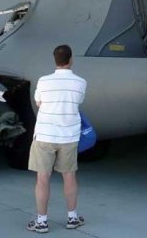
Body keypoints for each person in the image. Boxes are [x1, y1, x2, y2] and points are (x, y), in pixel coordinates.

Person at [27, 45, 87, 233]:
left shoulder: (43, 81)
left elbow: (38, 102)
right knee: (69, 176)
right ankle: (72, 218)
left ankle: (42, 222)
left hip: (45, 135)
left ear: (55, 60)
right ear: (71, 60)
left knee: (42, 179)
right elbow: (78, 102)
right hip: (69, 136)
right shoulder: (80, 82)